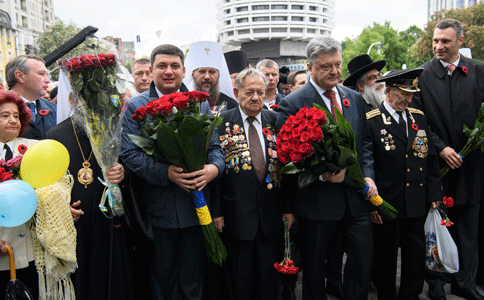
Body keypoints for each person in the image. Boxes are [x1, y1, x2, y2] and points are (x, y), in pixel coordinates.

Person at [120, 44, 225, 300]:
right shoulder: (135, 108)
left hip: (196, 209)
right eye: (162, 66)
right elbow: (130, 154)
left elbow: (215, 148)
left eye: (174, 66)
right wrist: (167, 173)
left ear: (183, 70)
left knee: (193, 280)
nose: (169, 71)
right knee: (162, 281)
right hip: (159, 210)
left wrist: (213, 169)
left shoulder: (198, 102)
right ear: (151, 70)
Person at [276, 36, 373, 300]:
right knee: (315, 271)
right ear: (309, 67)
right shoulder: (293, 103)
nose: (334, 71)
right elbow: (287, 157)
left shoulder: (353, 98)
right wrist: (322, 173)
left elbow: (364, 145)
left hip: (356, 199)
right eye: (326, 66)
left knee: (361, 262)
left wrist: (368, 175)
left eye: (337, 65)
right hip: (317, 203)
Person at [412, 18, 484, 300]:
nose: (438, 47)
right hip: (437, 167)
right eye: (435, 41)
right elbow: (418, 121)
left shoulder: (478, 71)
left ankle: (465, 283)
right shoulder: (422, 76)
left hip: (473, 167)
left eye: (445, 41)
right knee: (439, 224)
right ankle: (436, 283)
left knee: (469, 227)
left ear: (460, 42)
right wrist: (440, 148)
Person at [46, 89, 137, 300]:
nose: (89, 104)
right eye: (84, 98)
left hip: (110, 223)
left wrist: (123, 175)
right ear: (71, 100)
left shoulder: (114, 131)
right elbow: (46, 186)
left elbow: (135, 171)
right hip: (76, 226)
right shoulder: (55, 136)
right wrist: (61, 209)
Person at [212, 68, 294, 300]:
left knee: (269, 282)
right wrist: (216, 212)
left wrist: (288, 208)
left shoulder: (276, 121)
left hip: (272, 216)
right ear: (237, 92)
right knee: (241, 283)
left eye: (261, 92)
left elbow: (288, 170)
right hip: (235, 217)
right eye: (249, 92)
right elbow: (215, 174)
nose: (256, 97)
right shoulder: (220, 123)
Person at [362, 68, 442, 300]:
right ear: (388, 91)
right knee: (385, 255)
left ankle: (411, 294)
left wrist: (434, 192)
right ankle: (387, 295)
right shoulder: (373, 121)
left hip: (416, 199)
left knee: (415, 253)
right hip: (387, 201)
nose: (407, 99)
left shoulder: (418, 117)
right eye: (403, 94)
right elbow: (367, 163)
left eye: (411, 94)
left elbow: (430, 159)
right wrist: (373, 204)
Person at [0, 90, 38, 299]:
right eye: (5, 115)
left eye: (16, 115)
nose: (12, 120)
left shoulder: (33, 149)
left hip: (30, 249)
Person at [6, 55, 56, 140]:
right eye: (41, 74)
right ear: (20, 76)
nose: (47, 80)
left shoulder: (54, 109)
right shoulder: (2, 106)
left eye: (46, 75)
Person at [183, 41, 238, 113]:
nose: (207, 77)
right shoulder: (184, 103)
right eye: (202, 71)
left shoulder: (231, 104)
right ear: (192, 75)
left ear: (219, 75)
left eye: (212, 72)